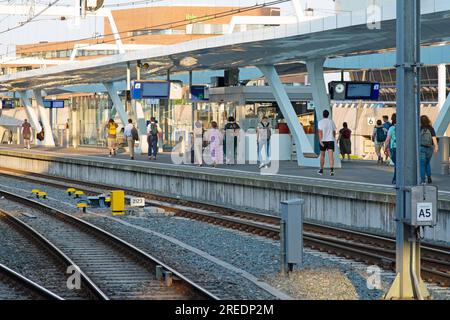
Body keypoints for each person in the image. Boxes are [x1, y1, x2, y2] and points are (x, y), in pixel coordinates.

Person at [419, 115, 438, 184]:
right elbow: (434, 138)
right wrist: (436, 147)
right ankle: (429, 177)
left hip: (421, 147)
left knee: (422, 164)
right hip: (429, 148)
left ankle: (423, 180)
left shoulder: (419, 128)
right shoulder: (431, 128)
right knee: (427, 163)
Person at [317, 110, 336, 176]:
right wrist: (333, 138)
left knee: (322, 156)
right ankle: (331, 171)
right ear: (328, 115)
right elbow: (334, 132)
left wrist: (320, 141)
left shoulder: (320, 122)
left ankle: (321, 170)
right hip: (330, 140)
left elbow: (320, 132)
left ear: (323, 114)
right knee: (331, 156)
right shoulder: (331, 122)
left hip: (323, 141)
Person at [384, 113, 397, 184]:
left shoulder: (392, 128)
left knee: (397, 165)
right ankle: (396, 178)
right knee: (399, 165)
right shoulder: (403, 127)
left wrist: (385, 148)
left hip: (394, 148)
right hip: (402, 149)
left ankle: (395, 179)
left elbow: (388, 139)